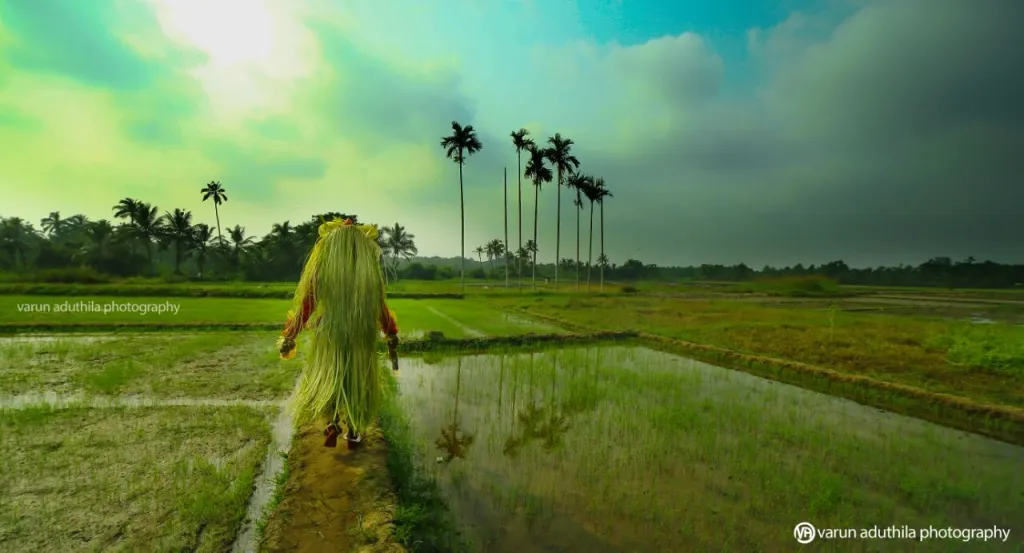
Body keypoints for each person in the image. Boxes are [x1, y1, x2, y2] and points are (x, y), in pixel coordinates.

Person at [276, 217, 400, 449]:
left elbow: (306, 306)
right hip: (360, 335)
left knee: (331, 379)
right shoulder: (369, 277)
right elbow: (380, 309)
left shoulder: (323, 273)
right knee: (357, 382)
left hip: (330, 334)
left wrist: (290, 334)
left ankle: (332, 424)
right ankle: (353, 431)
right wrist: (391, 332)